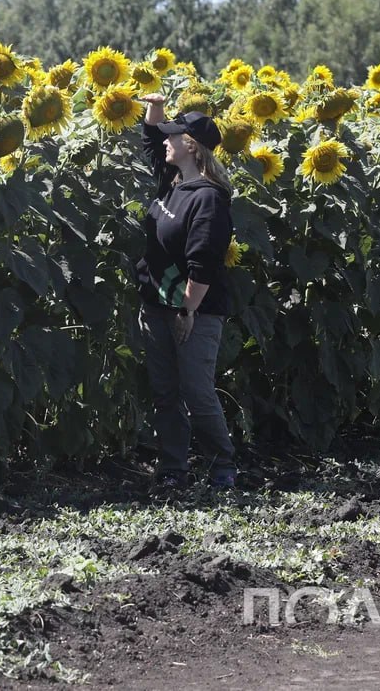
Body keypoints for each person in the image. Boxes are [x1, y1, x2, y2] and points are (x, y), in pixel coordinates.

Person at [135, 95, 238, 492]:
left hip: (193, 311)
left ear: (191, 145)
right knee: (165, 393)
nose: (166, 141)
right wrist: (156, 107)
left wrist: (187, 311)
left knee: (196, 390)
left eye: (174, 136)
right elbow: (149, 139)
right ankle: (173, 467)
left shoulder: (208, 198)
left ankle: (222, 464)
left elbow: (205, 262)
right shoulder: (172, 181)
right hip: (157, 305)